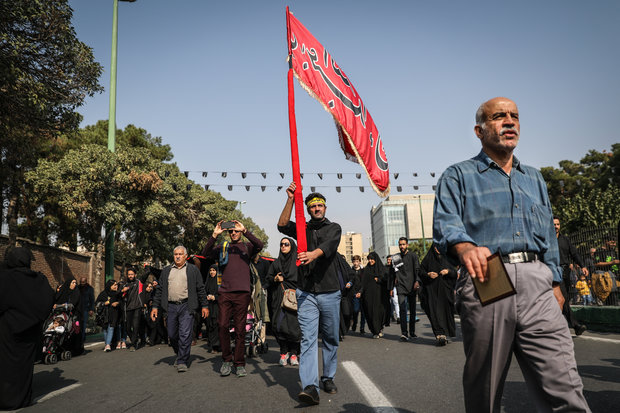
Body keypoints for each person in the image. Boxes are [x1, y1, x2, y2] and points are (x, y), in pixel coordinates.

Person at [433, 97, 590, 412]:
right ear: (479, 130)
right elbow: (446, 225)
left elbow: (547, 233)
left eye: (514, 116)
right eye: (499, 116)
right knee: (486, 384)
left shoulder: (533, 177)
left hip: (537, 279)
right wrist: (466, 247)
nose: (509, 121)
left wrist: (556, 283)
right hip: (488, 274)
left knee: (564, 382)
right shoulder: (458, 175)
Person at [278, 183, 342, 405]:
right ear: (307, 209)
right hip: (306, 293)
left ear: (325, 207)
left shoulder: (334, 227)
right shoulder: (301, 228)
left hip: (330, 292)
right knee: (308, 340)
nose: (316, 208)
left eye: (319, 205)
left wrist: (313, 254)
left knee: (331, 338)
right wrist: (290, 199)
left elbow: (328, 245)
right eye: (312, 206)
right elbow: (282, 225)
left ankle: (328, 377)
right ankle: (310, 387)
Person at [201, 220, 264, 378]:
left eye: (236, 231)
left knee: (240, 329)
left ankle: (239, 363)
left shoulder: (247, 247)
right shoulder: (224, 247)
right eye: (231, 231)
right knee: (222, 325)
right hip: (225, 292)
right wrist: (214, 235)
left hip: (242, 293)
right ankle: (226, 360)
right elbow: (206, 253)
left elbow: (260, 245)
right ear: (228, 233)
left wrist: (246, 230)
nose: (234, 233)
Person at [0, 247, 54, 410]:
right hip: (30, 331)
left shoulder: (5, 278)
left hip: (7, 330)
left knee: (5, 365)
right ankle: (22, 398)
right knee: (24, 366)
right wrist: (36, 319)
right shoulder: (39, 279)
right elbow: (48, 302)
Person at [151, 246, 209, 373]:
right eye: (175, 254)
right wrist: (155, 307)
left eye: (180, 254)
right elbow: (160, 290)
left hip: (186, 306)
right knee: (172, 335)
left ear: (185, 256)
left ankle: (182, 360)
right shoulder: (166, 271)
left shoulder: (193, 270)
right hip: (170, 307)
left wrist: (205, 305)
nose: (177, 256)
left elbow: (200, 288)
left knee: (185, 334)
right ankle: (180, 353)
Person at [266, 237, 301, 366]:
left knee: (294, 328)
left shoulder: (298, 263)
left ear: (292, 246)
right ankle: (283, 352)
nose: (283, 246)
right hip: (279, 300)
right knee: (279, 326)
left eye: (286, 244)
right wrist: (275, 278)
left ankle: (293, 353)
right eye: (281, 244)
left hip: (294, 300)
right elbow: (268, 278)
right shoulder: (276, 263)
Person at [554, 217, 587, 334]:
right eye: (554, 224)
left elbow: (574, 253)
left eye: (557, 224)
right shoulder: (547, 240)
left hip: (566, 272)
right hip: (553, 272)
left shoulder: (565, 240)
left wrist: (582, 265)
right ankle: (575, 325)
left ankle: (561, 324)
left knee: (563, 299)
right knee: (563, 298)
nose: (556, 226)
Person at [419, 244, 457, 346]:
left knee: (445, 312)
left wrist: (448, 271)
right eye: (435, 247)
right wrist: (428, 274)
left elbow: (454, 273)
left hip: (445, 292)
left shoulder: (447, 259)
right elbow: (420, 271)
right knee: (434, 312)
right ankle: (439, 334)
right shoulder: (428, 259)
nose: (437, 249)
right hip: (431, 292)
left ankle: (444, 333)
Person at [391, 237, 421, 341]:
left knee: (412, 310)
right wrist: (391, 287)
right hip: (401, 287)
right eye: (400, 245)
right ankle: (404, 333)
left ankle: (412, 332)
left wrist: (417, 281)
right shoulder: (396, 257)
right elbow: (394, 273)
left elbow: (417, 269)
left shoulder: (413, 256)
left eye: (403, 244)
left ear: (407, 245)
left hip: (412, 286)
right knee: (402, 309)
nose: (402, 246)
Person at [121, 267, 150, 351]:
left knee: (136, 325)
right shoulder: (124, 284)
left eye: (132, 274)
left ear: (135, 275)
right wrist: (123, 291)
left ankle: (133, 344)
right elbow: (118, 294)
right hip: (128, 308)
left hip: (137, 307)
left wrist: (147, 267)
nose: (130, 276)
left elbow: (146, 274)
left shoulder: (139, 282)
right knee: (127, 327)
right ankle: (135, 339)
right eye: (129, 274)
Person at [359, 252, 386, 338]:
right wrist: (360, 292)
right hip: (368, 295)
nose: (370, 261)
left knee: (378, 312)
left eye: (372, 259)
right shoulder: (366, 270)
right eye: (369, 259)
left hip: (379, 295)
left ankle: (379, 329)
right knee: (370, 311)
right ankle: (374, 331)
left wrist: (378, 279)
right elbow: (363, 282)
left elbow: (385, 279)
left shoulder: (381, 268)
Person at [95, 280, 122, 352]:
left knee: (111, 328)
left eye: (116, 285)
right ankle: (108, 343)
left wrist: (117, 303)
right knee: (105, 329)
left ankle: (108, 344)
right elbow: (97, 303)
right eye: (114, 285)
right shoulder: (103, 294)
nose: (116, 286)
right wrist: (104, 303)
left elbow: (121, 301)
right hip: (105, 315)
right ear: (110, 286)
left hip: (114, 314)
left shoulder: (117, 294)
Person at [204, 265, 221, 353]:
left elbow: (223, 294)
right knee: (210, 325)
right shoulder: (208, 281)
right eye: (210, 270)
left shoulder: (220, 281)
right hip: (209, 306)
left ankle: (217, 346)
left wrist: (215, 297)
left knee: (216, 325)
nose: (212, 272)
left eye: (214, 270)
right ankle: (212, 344)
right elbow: (204, 291)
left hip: (218, 307)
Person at [349, 255, 365, 333]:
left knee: (363, 312)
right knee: (355, 310)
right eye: (354, 261)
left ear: (359, 262)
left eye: (357, 261)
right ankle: (354, 323)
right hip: (353, 294)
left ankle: (362, 328)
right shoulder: (350, 271)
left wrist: (361, 292)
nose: (355, 263)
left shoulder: (363, 271)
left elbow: (364, 283)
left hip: (362, 293)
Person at [78, 277, 95, 346]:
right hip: (78, 308)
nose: (82, 284)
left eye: (83, 282)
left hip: (85, 308)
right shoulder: (77, 288)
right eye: (81, 282)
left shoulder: (90, 289)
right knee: (77, 324)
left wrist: (91, 309)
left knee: (84, 324)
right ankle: (79, 338)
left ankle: (82, 338)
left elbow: (92, 299)